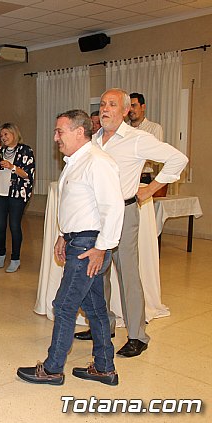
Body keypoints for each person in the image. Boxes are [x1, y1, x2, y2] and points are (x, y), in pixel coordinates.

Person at [74, 88, 188, 358]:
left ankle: (138, 335)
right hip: (96, 215)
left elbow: (178, 159)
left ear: (125, 111)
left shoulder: (138, 139)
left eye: (112, 104)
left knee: (127, 274)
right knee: (96, 273)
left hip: (124, 213)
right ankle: (104, 325)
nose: (105, 109)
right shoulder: (93, 140)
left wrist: (150, 189)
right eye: (102, 104)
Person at [17, 109, 124, 386]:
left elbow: (113, 208)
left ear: (79, 132)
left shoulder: (98, 162)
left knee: (63, 306)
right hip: (79, 240)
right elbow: (78, 206)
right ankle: (104, 367)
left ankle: (53, 369)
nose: (55, 137)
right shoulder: (76, 161)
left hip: (89, 246)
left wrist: (101, 249)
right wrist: (63, 235)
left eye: (60, 131)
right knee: (96, 308)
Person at [0, 123, 35, 273]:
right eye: (2, 135)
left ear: (14, 134)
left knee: (14, 226)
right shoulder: (1, 150)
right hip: (0, 193)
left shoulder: (25, 150)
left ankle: (15, 258)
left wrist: (12, 167)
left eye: (6, 134)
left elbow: (27, 174)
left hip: (16, 194)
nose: (3, 137)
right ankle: (1, 253)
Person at [128, 92, 164, 184]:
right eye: (128, 106)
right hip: (126, 177)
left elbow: (157, 156)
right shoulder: (122, 129)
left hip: (144, 178)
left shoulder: (154, 128)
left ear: (143, 107)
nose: (130, 109)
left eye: (134, 105)